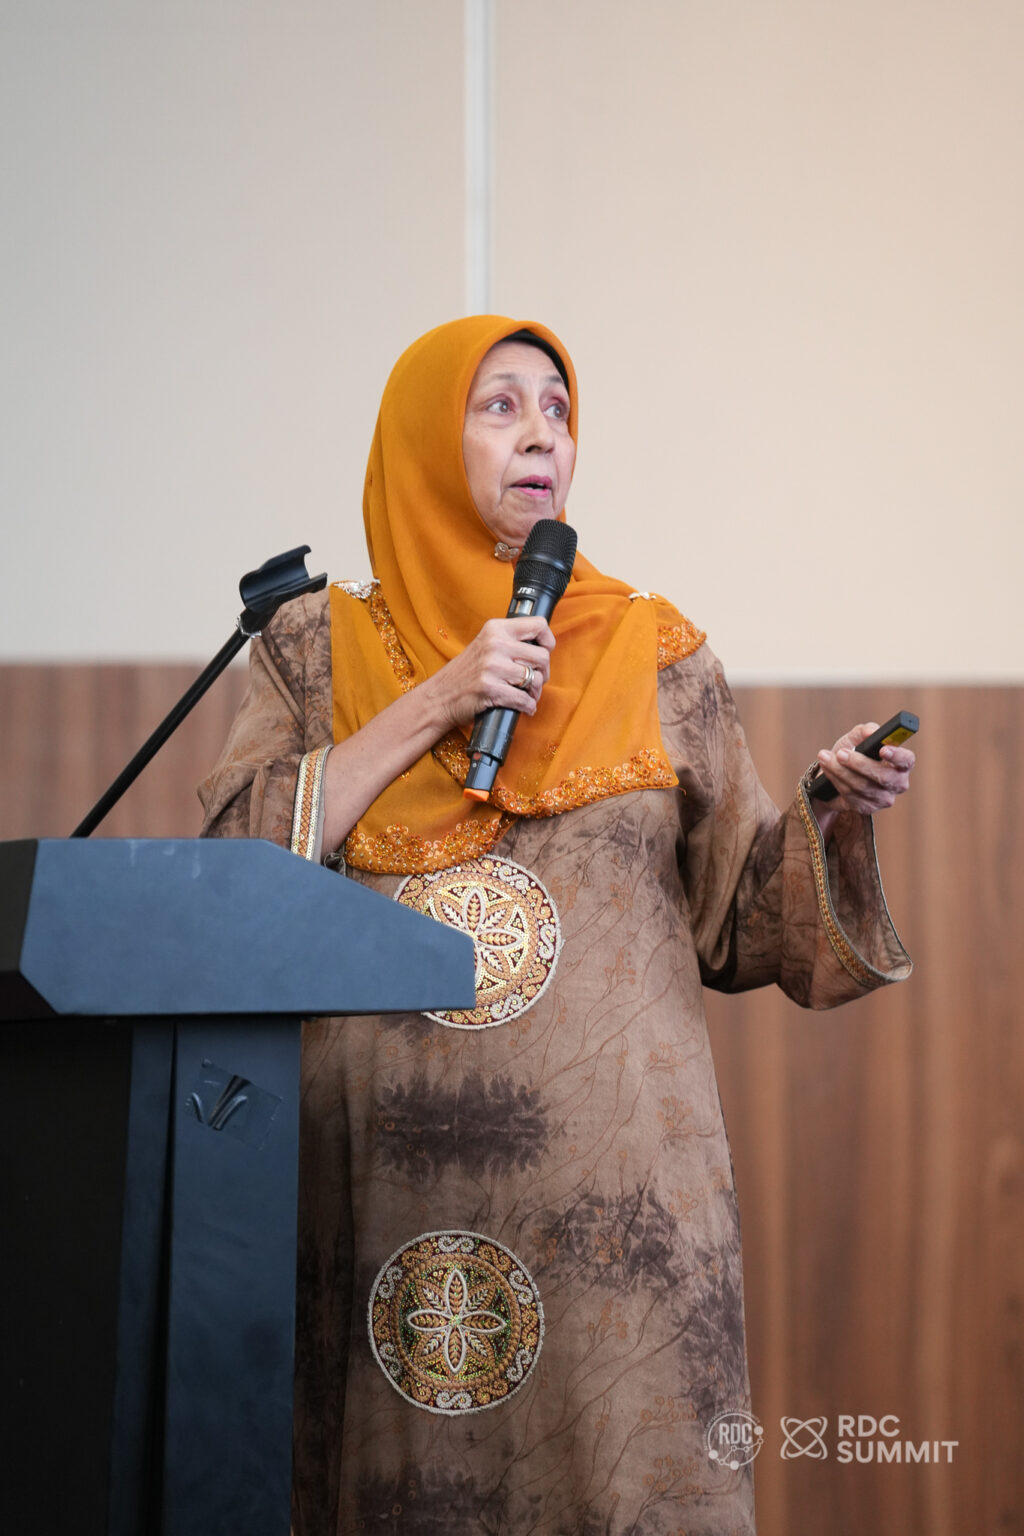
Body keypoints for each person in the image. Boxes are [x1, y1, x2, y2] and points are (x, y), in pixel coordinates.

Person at [199, 315, 913, 1536]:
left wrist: (831, 813)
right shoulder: (309, 650)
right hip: (379, 1214)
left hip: (619, 1235)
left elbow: (741, 924)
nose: (541, 434)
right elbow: (228, 872)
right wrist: (443, 695)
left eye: (558, 408)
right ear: (423, 439)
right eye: (500, 405)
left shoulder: (657, 653)